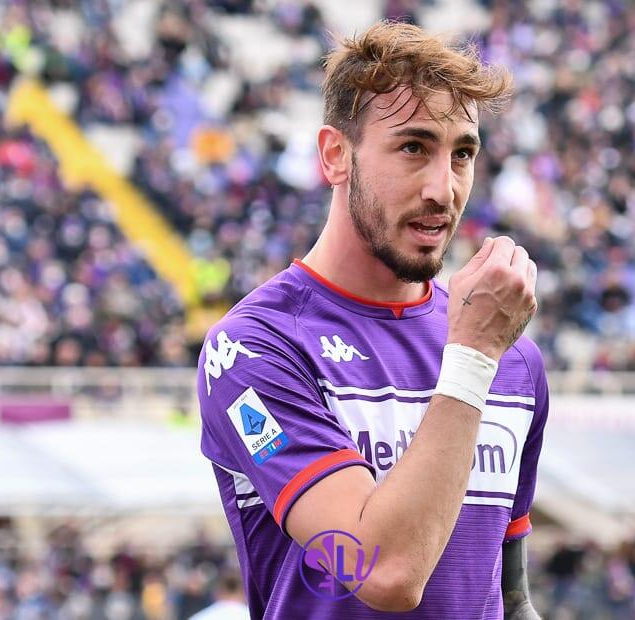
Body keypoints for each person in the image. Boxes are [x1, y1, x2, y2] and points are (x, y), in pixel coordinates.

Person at [196, 21, 548, 618]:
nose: (444, 189)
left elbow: (509, 596)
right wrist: (468, 360)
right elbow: (384, 573)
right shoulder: (254, 350)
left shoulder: (513, 359)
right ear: (336, 155)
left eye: (462, 154)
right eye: (413, 147)